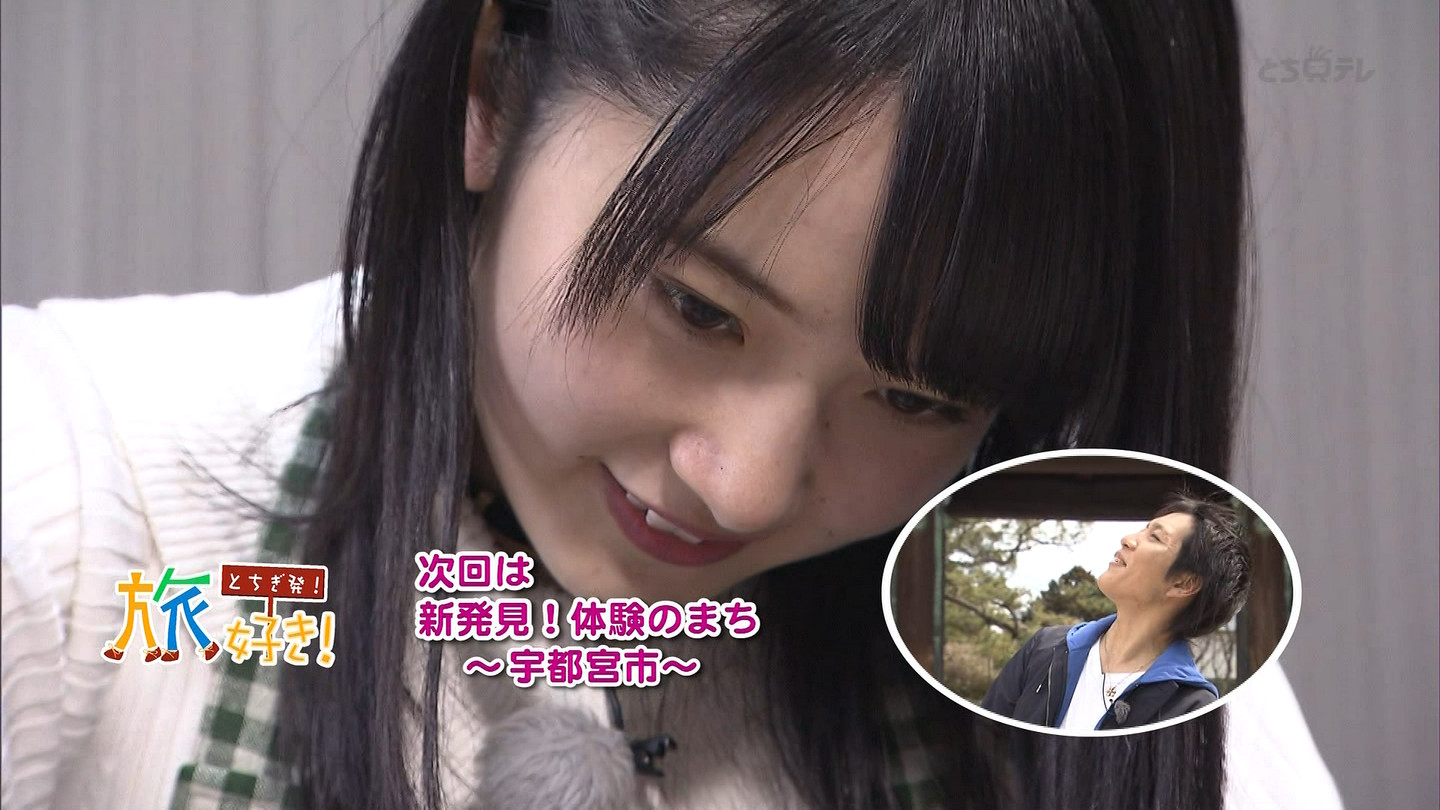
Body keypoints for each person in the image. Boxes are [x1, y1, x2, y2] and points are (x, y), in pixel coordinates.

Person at [0, 1, 1341, 809]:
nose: (743, 483)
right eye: (699, 308)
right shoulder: (98, 525)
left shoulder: (1092, 601)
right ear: (493, 85)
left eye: (917, 396)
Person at [981, 495, 1253, 732]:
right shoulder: (1045, 648)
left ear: (1183, 583)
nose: (1128, 539)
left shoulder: (1190, 707)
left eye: (1155, 537)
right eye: (1144, 529)